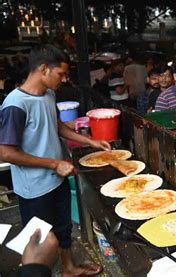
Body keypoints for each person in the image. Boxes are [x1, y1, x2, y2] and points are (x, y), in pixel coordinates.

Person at [0, 44, 110, 276]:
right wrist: (54, 163)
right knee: (38, 238)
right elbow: (6, 153)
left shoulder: (49, 94)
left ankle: (68, 268)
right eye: (61, 73)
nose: (64, 78)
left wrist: (90, 142)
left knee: (62, 227)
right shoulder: (15, 105)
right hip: (35, 188)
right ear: (43, 69)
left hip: (57, 178)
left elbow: (57, 126)